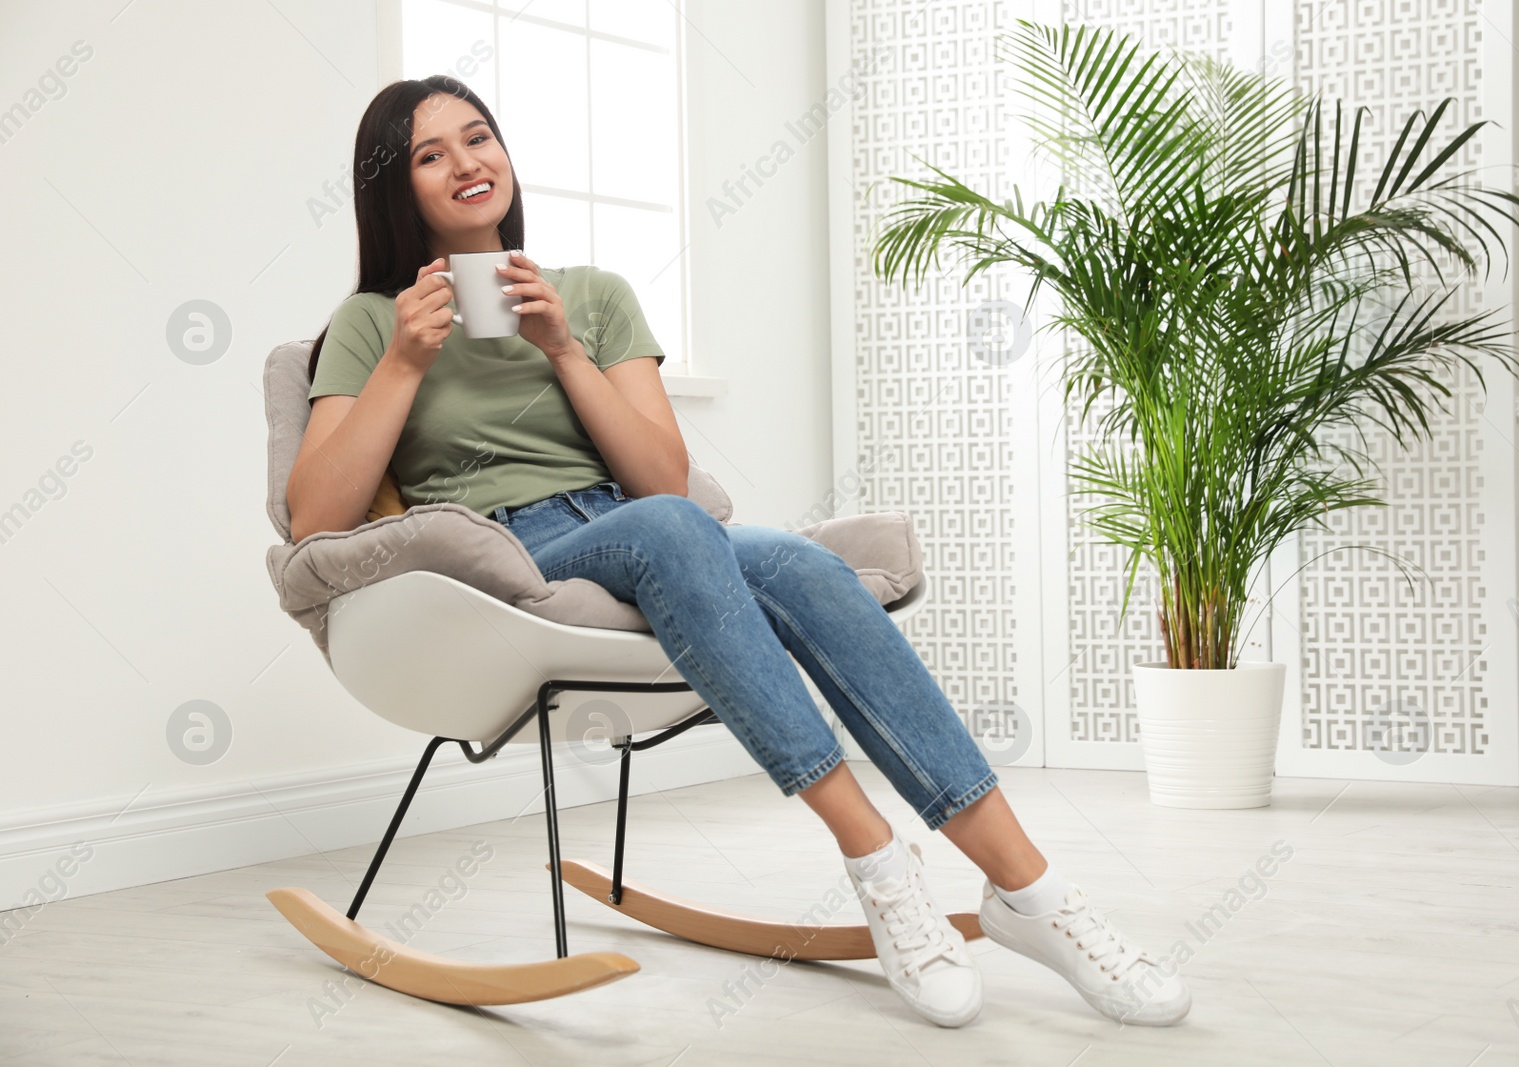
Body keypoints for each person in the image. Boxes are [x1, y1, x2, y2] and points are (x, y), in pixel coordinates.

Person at [286, 74, 1191, 1030]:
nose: (468, 163)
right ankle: (878, 860)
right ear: (395, 187)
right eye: (432, 154)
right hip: (508, 559)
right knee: (684, 534)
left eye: (480, 138)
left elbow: (663, 484)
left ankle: (1033, 893)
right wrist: (403, 362)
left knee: (803, 564)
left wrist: (563, 348)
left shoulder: (592, 296)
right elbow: (316, 518)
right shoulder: (371, 324)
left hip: (635, 522)